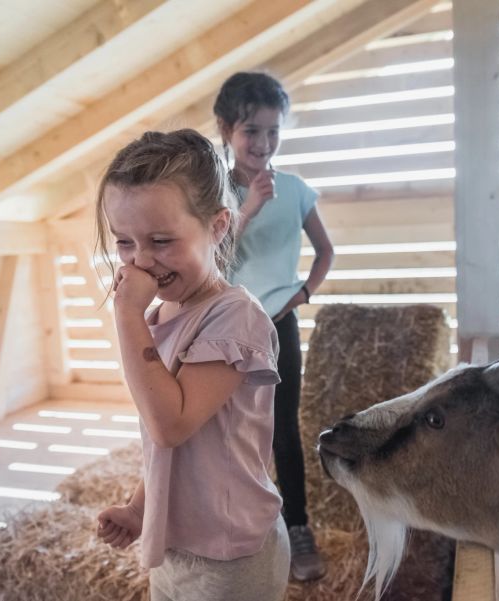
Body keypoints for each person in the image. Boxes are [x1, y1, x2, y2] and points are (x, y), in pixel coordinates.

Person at [94, 129, 290, 601]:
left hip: (232, 555)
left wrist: (125, 314)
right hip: (177, 546)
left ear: (218, 227)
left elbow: (171, 426)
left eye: (161, 240)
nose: (141, 261)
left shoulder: (234, 318)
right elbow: (174, 454)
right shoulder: (162, 316)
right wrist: (142, 510)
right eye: (124, 242)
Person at [214, 71, 335, 582]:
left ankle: (298, 526)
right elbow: (212, 257)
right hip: (225, 326)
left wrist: (302, 294)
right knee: (233, 429)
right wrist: (248, 208)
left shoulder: (296, 190)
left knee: (284, 429)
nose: (263, 144)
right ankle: (240, 525)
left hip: (278, 328)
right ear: (225, 130)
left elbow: (326, 252)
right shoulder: (212, 193)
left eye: (272, 131)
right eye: (251, 132)